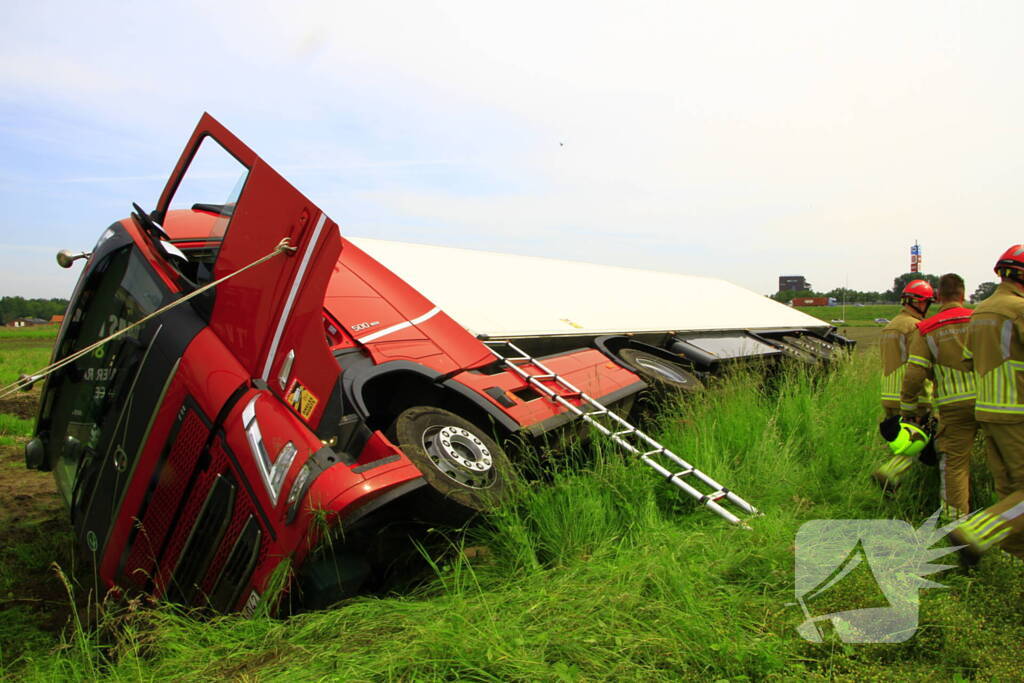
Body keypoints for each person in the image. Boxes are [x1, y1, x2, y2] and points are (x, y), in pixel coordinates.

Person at [949, 245, 1024, 562]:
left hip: (989, 411)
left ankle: (1014, 558)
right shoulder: (1018, 309)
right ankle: (976, 530)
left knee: (1010, 491)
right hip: (1018, 411)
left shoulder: (979, 311)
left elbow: (967, 361)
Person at [899, 273, 976, 521]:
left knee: (954, 465)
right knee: (1004, 463)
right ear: (963, 295)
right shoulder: (980, 321)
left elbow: (914, 374)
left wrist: (908, 411)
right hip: (992, 402)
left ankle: (955, 523)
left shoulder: (927, 329)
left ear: (939, 297)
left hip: (952, 408)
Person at [873, 279, 934, 487]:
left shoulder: (889, 327)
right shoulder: (916, 327)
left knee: (903, 441)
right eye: (928, 303)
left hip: (888, 394)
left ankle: (894, 479)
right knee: (919, 438)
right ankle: (889, 473)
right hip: (910, 395)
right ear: (919, 302)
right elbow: (919, 364)